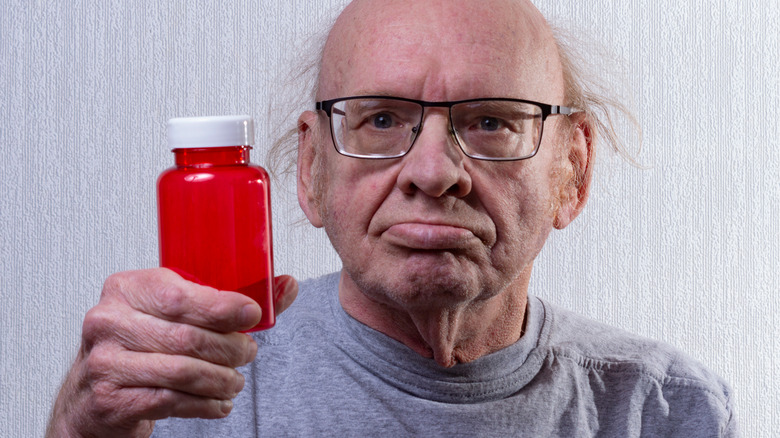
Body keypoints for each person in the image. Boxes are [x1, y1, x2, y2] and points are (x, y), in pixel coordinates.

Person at [46, 0, 737, 436]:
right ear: (310, 171)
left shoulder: (665, 411)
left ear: (572, 171)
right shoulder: (184, 393)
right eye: (380, 119)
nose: (433, 172)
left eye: (491, 120)